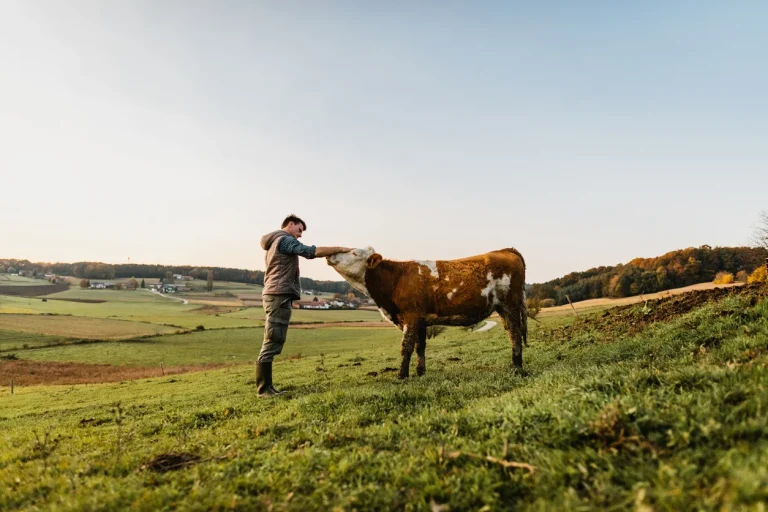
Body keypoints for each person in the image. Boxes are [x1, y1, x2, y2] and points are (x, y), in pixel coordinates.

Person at [257, 214, 352, 397]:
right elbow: (309, 252)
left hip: (276, 294)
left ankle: (267, 387)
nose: (300, 235)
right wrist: (340, 249)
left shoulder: (275, 242)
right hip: (278, 295)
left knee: (275, 337)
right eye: (299, 230)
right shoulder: (284, 240)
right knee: (273, 338)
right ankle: (263, 389)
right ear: (290, 224)